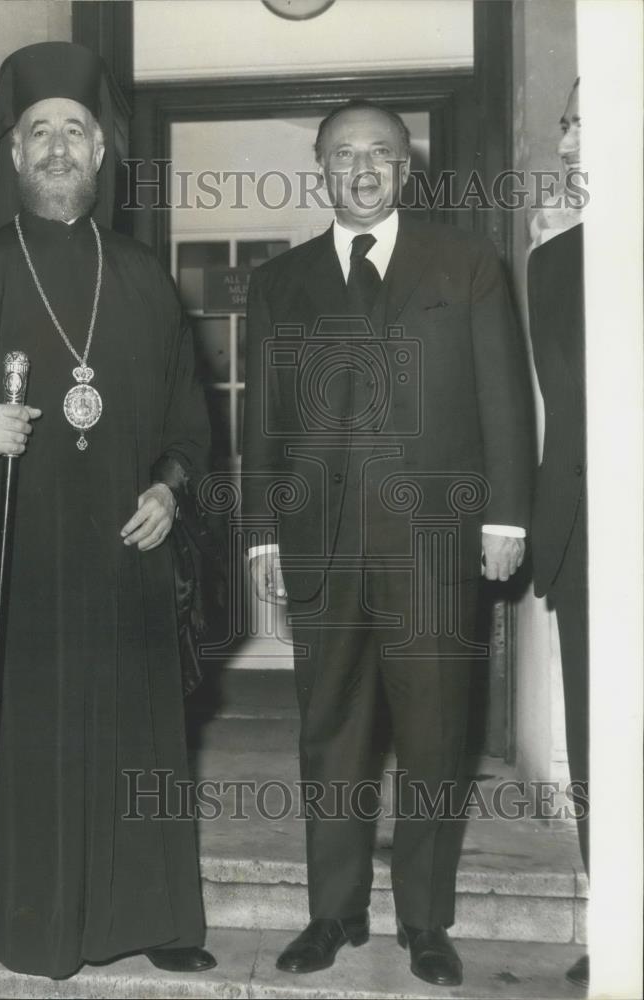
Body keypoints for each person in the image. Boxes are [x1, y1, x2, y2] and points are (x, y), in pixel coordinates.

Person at [0, 42, 215, 980]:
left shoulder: (144, 278)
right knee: (30, 741)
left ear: (102, 151)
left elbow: (191, 423)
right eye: (41, 132)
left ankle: (154, 917)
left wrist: (170, 487)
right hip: (18, 562)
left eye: (76, 130)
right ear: (15, 154)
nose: (60, 147)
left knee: (136, 736)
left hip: (126, 561)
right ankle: (32, 925)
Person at [241, 100, 532, 987]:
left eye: (379, 153)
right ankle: (332, 913)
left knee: (436, 734)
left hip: (435, 545)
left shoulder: (465, 262)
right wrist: (262, 537)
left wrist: (506, 518)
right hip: (322, 547)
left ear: (407, 168)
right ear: (321, 168)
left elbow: (503, 396)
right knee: (330, 731)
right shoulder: (280, 282)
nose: (361, 169)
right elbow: (264, 420)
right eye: (343, 154)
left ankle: (425, 921)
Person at [527, 80, 588, 990]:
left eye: (585, 125)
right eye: (566, 126)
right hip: (586, 545)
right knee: (601, 740)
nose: (568, 146)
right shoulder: (553, 262)